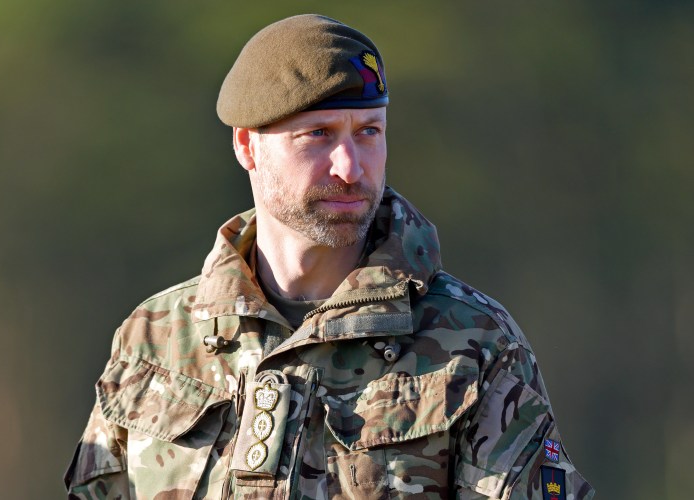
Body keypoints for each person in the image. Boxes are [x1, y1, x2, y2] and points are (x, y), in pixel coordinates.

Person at [65, 14, 594, 500]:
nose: (349, 165)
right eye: (318, 135)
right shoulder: (153, 340)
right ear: (247, 146)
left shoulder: (473, 343)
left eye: (369, 133)